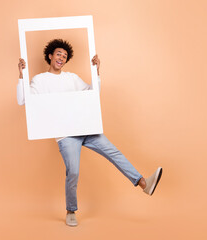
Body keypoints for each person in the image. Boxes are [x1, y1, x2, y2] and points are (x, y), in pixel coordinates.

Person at [17, 39, 162, 227]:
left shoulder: (72, 78)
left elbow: (93, 93)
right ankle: (71, 210)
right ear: (50, 56)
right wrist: (21, 76)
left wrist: (97, 71)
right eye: (59, 54)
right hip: (66, 134)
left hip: (86, 128)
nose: (62, 57)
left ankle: (144, 184)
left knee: (114, 153)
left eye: (65, 56)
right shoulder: (39, 80)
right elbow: (23, 100)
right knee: (73, 172)